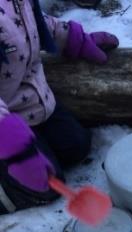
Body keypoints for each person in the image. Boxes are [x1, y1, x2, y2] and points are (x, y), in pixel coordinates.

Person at [0, 0, 118, 214]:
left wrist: (75, 39)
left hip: (32, 103)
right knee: (43, 186)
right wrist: (13, 147)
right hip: (5, 124)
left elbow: (34, 22)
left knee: (76, 146)